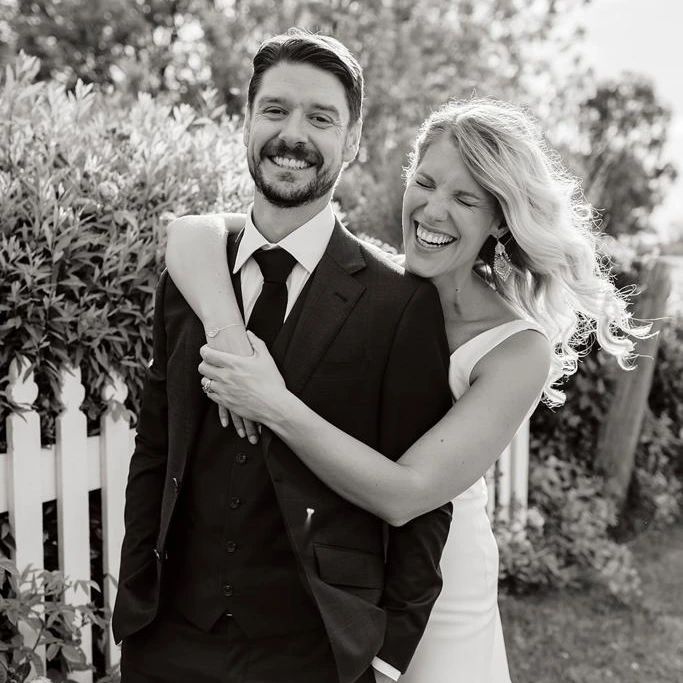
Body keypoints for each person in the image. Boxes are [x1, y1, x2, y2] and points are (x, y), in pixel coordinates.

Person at [166, 97, 649, 682]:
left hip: (442, 593)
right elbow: (192, 235)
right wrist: (231, 340)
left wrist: (272, 404)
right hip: (339, 581)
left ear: (500, 220)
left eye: (465, 199)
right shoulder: (368, 287)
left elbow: (407, 493)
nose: (433, 210)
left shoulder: (515, 349)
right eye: (425, 182)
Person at [113, 29, 454, 683]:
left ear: (352, 141)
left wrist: (384, 657)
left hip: (317, 650)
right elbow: (155, 445)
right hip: (169, 642)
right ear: (245, 121)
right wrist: (135, 606)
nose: (292, 134)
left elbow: (423, 506)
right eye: (274, 110)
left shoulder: (399, 303)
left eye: (320, 117)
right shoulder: (189, 278)